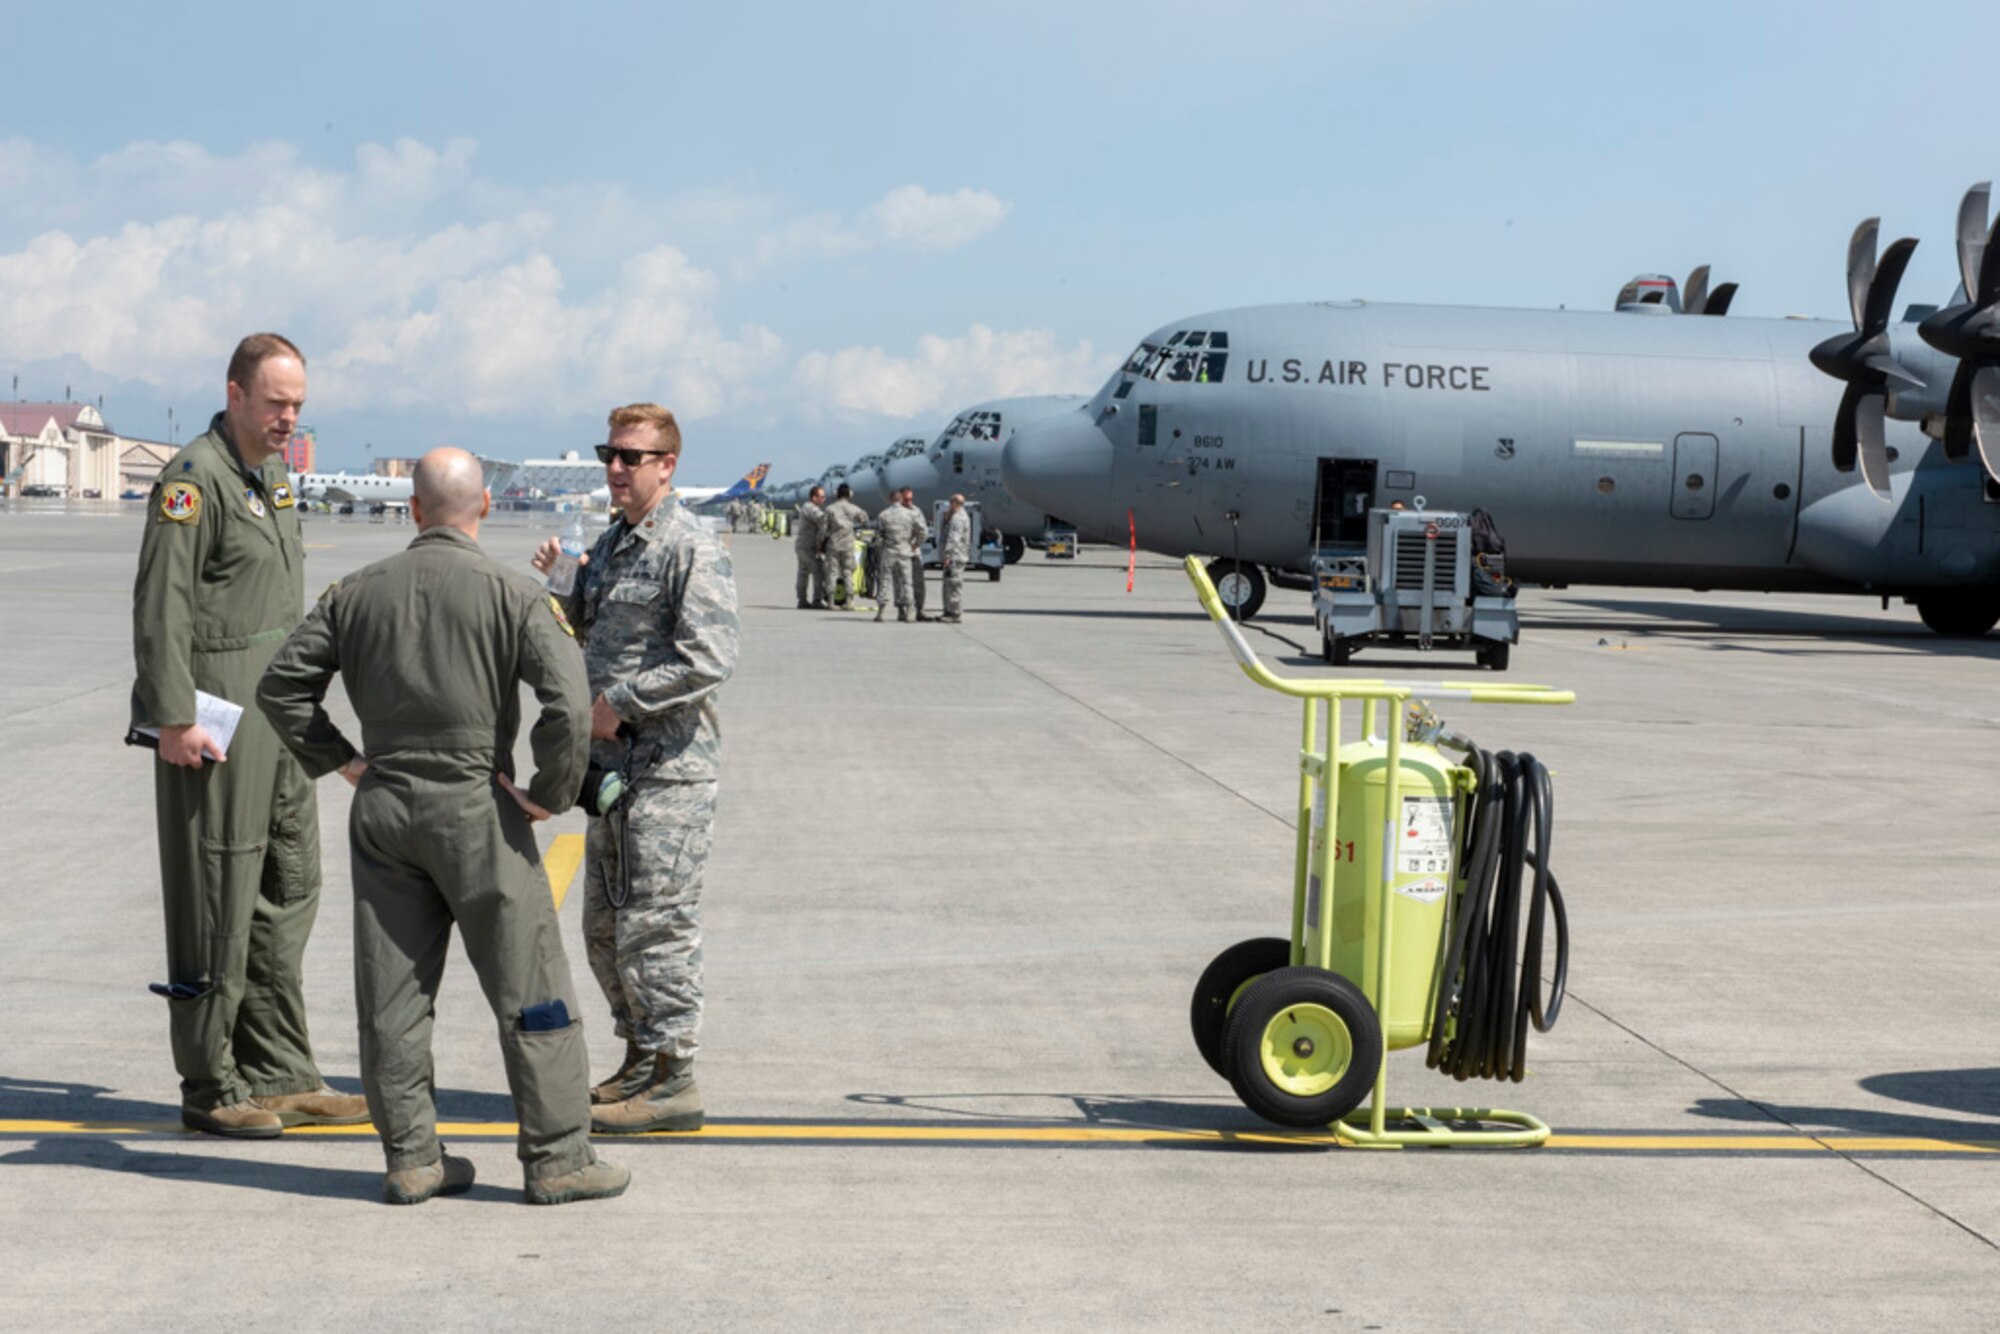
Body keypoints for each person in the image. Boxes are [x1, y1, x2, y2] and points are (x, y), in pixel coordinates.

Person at [257, 448, 627, 1206]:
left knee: (392, 993)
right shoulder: (513, 594)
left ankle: (413, 1158)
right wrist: (548, 793)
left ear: (415, 509)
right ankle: (558, 1159)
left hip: (387, 807)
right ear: (482, 508)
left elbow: (280, 688)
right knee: (532, 987)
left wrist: (346, 762)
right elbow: (567, 696)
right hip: (478, 807)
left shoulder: (354, 593)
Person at [130, 333, 368, 1139]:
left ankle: (278, 1070)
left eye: (297, 405)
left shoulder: (273, 477)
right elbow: (161, 606)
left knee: (287, 886)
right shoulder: (192, 482)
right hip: (214, 716)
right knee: (218, 895)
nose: (288, 418)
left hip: (276, 719)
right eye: (276, 403)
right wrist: (172, 718)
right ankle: (210, 1084)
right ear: (235, 394)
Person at [533, 403, 739, 1134]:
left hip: (669, 772)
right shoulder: (618, 543)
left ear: (666, 466)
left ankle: (676, 1078)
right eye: (609, 453)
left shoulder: (690, 545)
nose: (615, 468)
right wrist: (561, 587)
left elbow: (710, 658)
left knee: (657, 927)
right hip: (613, 772)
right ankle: (641, 1060)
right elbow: (591, 637)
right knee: (605, 928)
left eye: (631, 456)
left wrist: (617, 703)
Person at [873, 489, 925, 622]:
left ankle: (881, 612)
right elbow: (923, 532)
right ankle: (909, 613)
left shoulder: (883, 515)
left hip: (889, 552)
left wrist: (881, 548)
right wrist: (915, 544)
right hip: (905, 552)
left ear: (890, 500)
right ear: (901, 499)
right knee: (907, 582)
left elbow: (878, 536)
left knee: (885, 581)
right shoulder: (910, 514)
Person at [822, 483, 870, 610]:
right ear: (849, 494)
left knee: (832, 572)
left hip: (834, 544)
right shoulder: (854, 508)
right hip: (848, 544)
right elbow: (865, 520)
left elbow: (823, 529)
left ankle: (831, 602)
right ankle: (849, 601)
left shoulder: (830, 509)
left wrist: (819, 544)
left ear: (836, 494)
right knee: (848, 572)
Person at [794, 486, 828, 609]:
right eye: (822, 496)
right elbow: (823, 519)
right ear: (814, 497)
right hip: (808, 547)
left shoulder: (806, 507)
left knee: (803, 573)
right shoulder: (810, 508)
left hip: (803, 545)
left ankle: (802, 600)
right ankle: (817, 600)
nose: (824, 499)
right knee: (818, 572)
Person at [902, 487, 933, 621]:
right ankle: (902, 610)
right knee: (901, 584)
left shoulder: (916, 511)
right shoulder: (895, 512)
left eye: (911, 499)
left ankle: (920, 609)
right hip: (899, 554)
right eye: (906, 499)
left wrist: (916, 544)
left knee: (918, 583)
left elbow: (924, 531)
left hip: (914, 553)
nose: (909, 502)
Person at [940, 493, 972, 623]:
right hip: (955, 556)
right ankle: (948, 610)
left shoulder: (958, 518)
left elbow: (954, 538)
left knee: (954, 585)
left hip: (955, 556)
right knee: (948, 584)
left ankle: (955, 613)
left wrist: (947, 555)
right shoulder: (955, 516)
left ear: (954, 503)